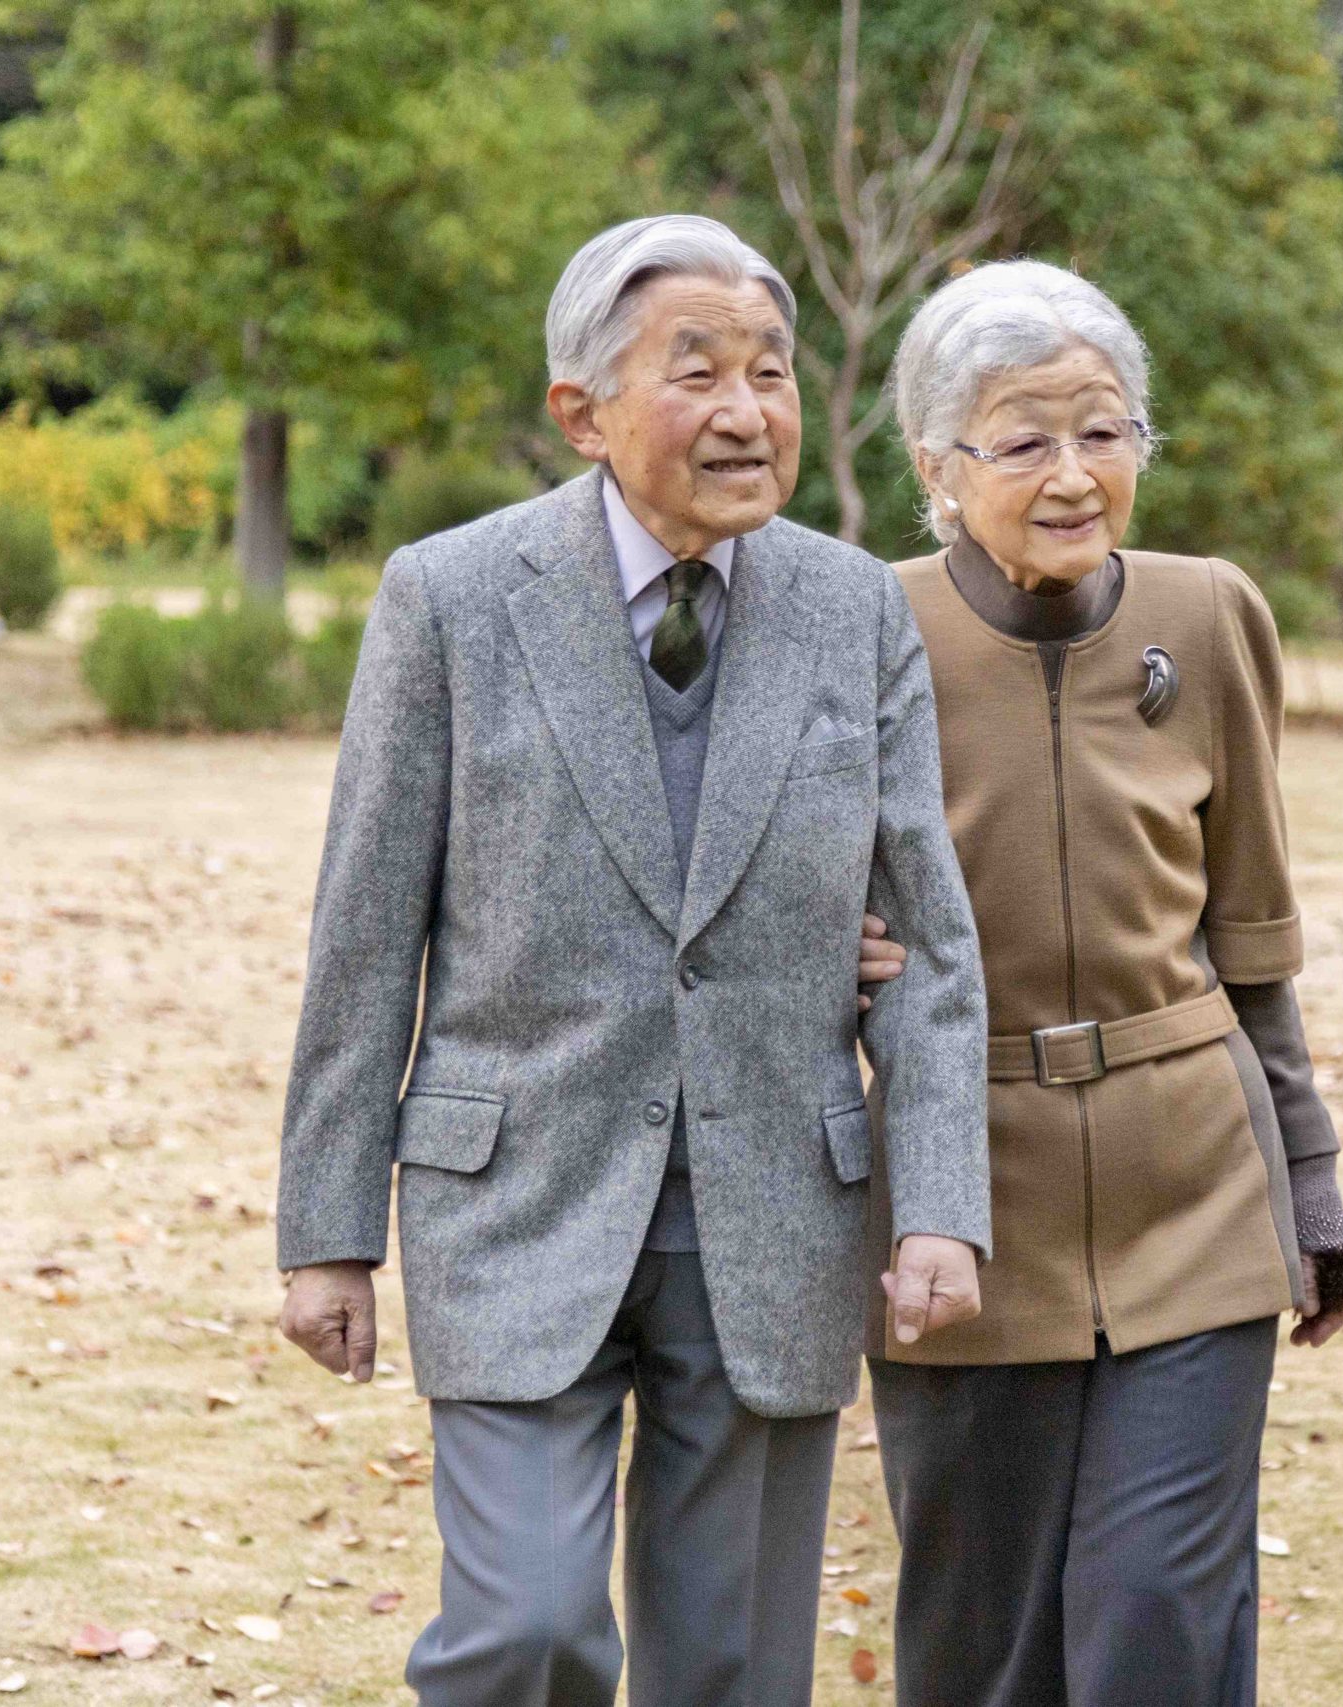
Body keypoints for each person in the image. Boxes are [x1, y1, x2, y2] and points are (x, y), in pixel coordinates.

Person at [271, 214, 991, 1707]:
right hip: (512, 1198)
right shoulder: (453, 599)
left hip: (778, 1206)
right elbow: (364, 932)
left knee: (728, 1667)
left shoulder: (854, 609)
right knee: (524, 1631)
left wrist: (942, 1206)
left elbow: (923, 939)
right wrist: (327, 1230)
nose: (748, 409)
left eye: (774, 372)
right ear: (581, 413)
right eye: (700, 371)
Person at [865, 259, 1343, 1707]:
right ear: (937, 466)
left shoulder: (1210, 616)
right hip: (960, 1200)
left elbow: (1255, 941)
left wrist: (1315, 1195)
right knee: (987, 1650)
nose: (1073, 473)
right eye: (1024, 439)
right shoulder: (866, 632)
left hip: (1195, 1189)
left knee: (1161, 1616)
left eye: (1105, 432)